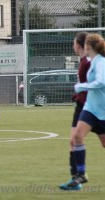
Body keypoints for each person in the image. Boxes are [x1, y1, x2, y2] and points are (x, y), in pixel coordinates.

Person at [60, 33, 105, 190]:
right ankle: (80, 175)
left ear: (87, 46)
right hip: (89, 108)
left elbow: (101, 82)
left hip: (101, 109)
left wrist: (82, 87)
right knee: (77, 137)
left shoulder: (99, 62)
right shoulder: (91, 61)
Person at [59, 32, 91, 190]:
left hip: (92, 106)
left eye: (74, 43)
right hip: (81, 105)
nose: (73, 46)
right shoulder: (83, 61)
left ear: (79, 45)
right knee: (73, 140)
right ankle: (76, 179)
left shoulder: (92, 62)